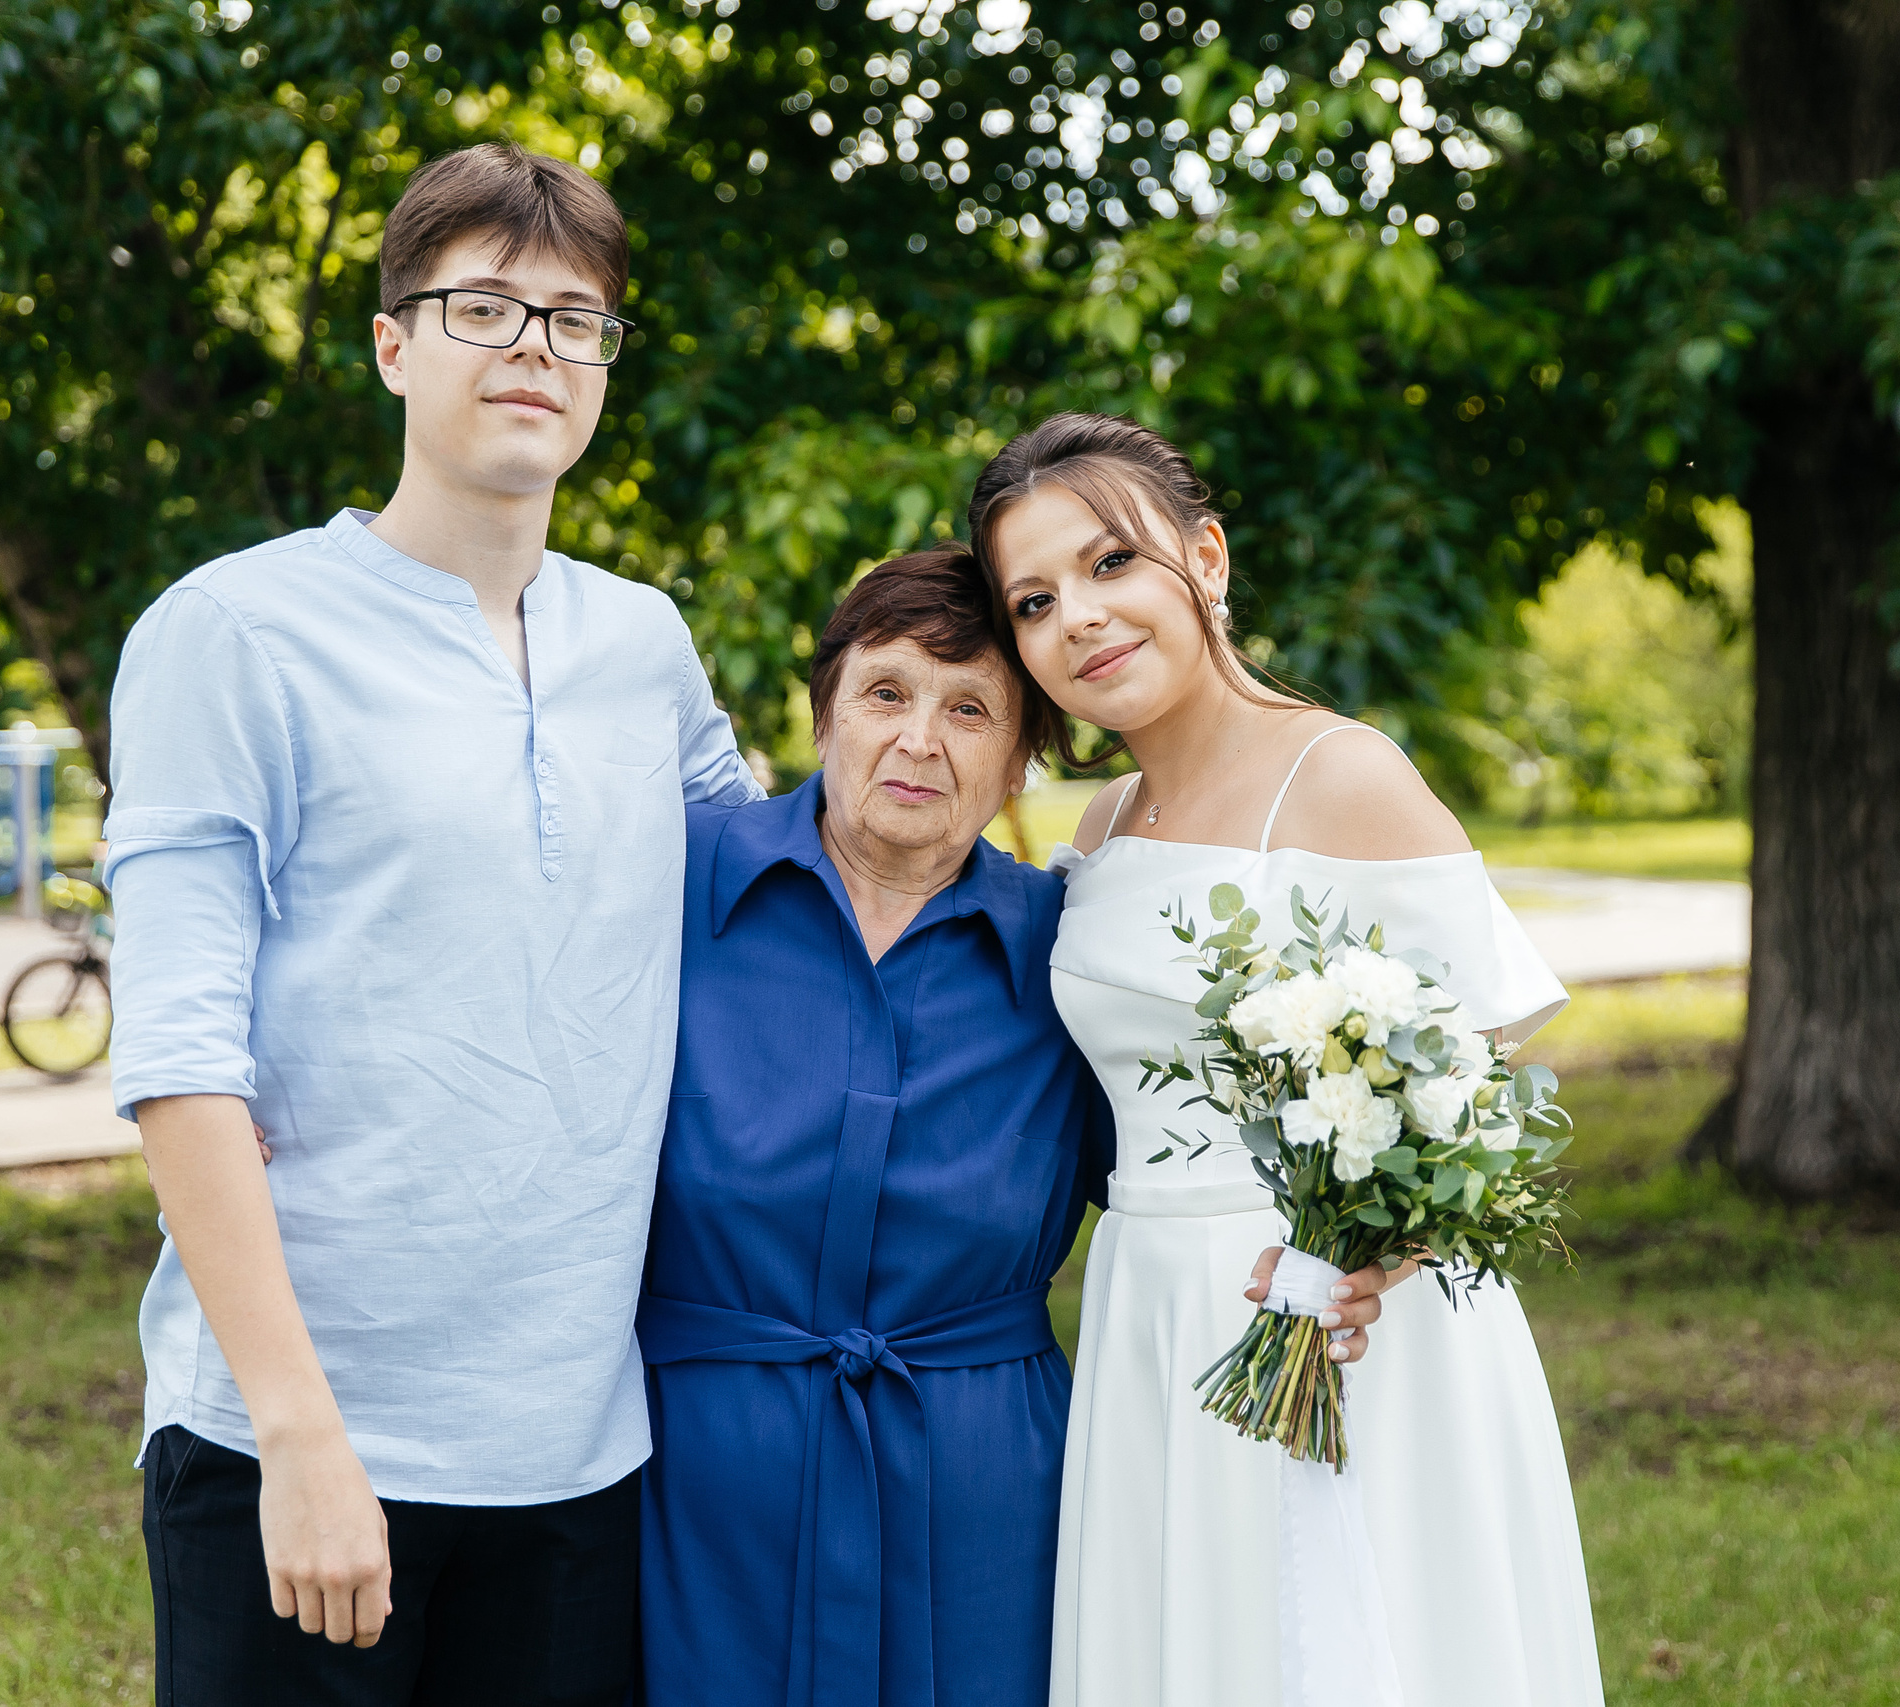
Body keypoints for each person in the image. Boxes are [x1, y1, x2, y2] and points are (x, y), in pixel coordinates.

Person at [103, 142, 760, 1706]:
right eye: (485, 306)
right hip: (304, 1442)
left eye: (575, 317)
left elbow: (782, 890)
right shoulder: (233, 630)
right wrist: (300, 1437)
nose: (536, 344)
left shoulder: (642, 642)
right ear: (394, 345)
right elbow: (179, 1052)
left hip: (584, 1448)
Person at [633, 547, 1394, 1707]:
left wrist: (1359, 1255)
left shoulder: (1077, 957)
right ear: (824, 709)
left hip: (987, 1490)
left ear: (1020, 760)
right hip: (692, 1480)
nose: (918, 740)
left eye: (970, 709)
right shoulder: (671, 880)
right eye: (885, 693)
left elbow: (1218, 1165)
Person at [966, 413, 1605, 1707]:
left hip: (1342, 1323)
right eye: (1035, 600)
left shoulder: (1341, 772)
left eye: (1110, 564)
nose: (1078, 617)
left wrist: (1370, 1256)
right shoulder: (1103, 816)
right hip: (1150, 1304)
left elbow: (1479, 1075)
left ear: (1204, 555)